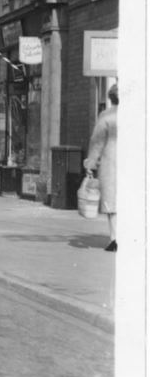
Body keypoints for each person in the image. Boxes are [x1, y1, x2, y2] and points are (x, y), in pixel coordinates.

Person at [84, 83, 118, 252]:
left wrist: (90, 164)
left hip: (112, 162)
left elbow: (97, 142)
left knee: (112, 202)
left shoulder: (106, 116)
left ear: (111, 99)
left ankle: (115, 238)